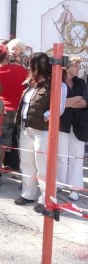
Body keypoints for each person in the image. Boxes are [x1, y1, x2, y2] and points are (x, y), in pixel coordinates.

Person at [14, 52, 67, 214]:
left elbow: (58, 108)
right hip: (26, 127)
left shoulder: (57, 83)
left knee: (43, 165)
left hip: (42, 130)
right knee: (26, 162)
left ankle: (46, 199)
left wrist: (44, 118)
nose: (31, 69)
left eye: (33, 66)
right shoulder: (31, 83)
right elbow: (25, 103)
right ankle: (28, 193)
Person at [0, 43, 28, 170]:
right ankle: (24, 170)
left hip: (4, 111)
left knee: (2, 144)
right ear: (7, 54)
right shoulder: (21, 70)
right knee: (23, 142)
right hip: (20, 110)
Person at [58, 57, 86, 201]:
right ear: (67, 66)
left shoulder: (81, 82)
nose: (79, 68)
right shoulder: (58, 81)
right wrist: (76, 99)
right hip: (62, 124)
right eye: (77, 65)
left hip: (78, 125)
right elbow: (56, 102)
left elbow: (85, 102)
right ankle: (59, 183)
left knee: (77, 156)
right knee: (61, 157)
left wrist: (66, 103)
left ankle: (75, 187)